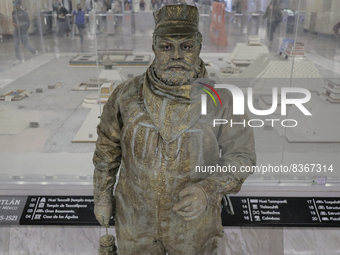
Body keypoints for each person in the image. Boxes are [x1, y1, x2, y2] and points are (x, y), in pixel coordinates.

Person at [93, 5, 256, 255]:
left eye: (187, 47)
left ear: (199, 46)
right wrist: (102, 196)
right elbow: (107, 149)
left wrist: (208, 189)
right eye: (166, 47)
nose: (176, 55)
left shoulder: (223, 100)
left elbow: (242, 158)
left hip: (193, 223)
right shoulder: (125, 95)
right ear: (154, 47)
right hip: (135, 218)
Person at [12, 0, 38, 65]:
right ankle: (18, 58)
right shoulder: (13, 13)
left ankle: (34, 52)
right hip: (16, 31)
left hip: (23, 31)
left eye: (16, 4)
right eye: (14, 4)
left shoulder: (24, 13)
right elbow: (14, 21)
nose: (15, 6)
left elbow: (28, 22)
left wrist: (23, 27)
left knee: (26, 44)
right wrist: (16, 26)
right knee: (16, 45)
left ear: (20, 5)